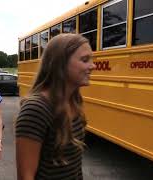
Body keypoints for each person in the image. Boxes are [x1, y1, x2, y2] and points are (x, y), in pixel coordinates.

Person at [15, 33, 96, 180]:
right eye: (85, 60)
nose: (93, 66)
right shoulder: (36, 109)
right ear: (61, 64)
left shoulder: (74, 101)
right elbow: (25, 176)